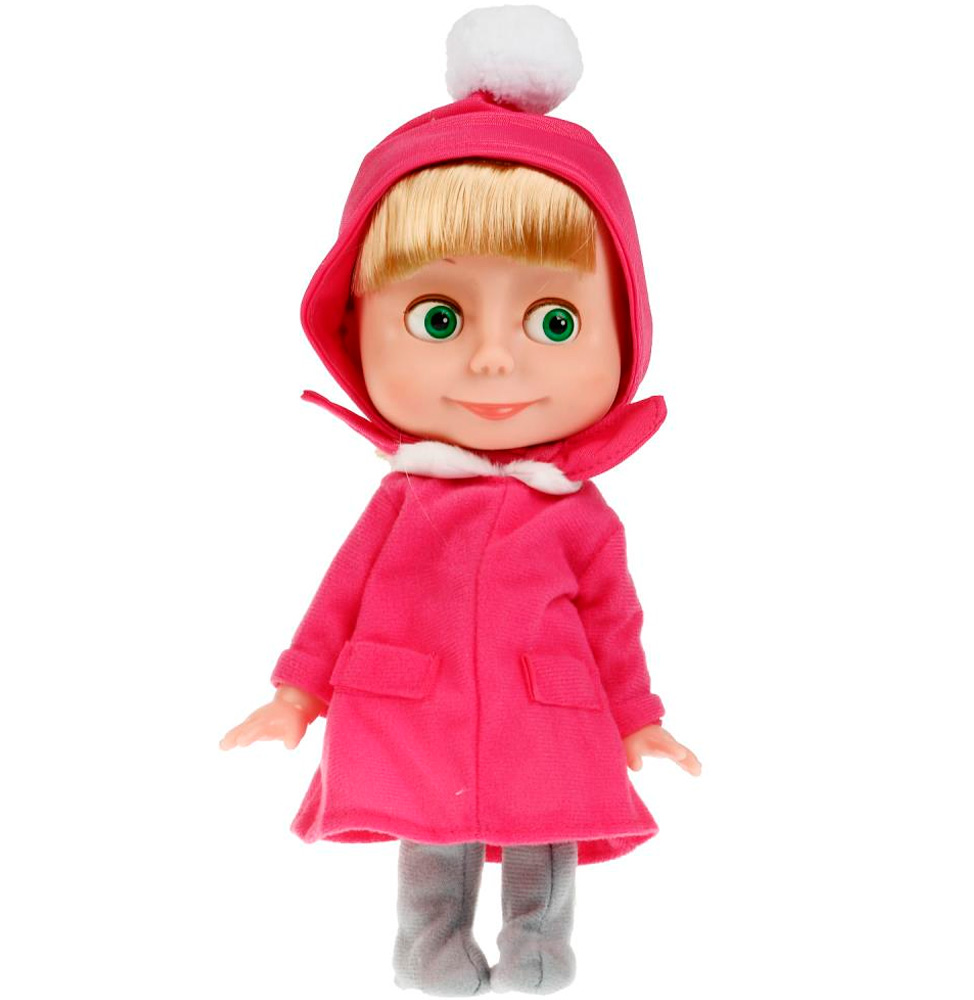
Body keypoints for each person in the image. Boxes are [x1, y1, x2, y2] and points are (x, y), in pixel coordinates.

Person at [221, 6, 700, 995]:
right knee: (426, 829)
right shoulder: (402, 500)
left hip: (545, 702)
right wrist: (297, 692)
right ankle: (430, 951)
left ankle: (537, 947)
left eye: (553, 321)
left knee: (545, 827)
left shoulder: (577, 511)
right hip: (412, 696)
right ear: (354, 330)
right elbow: (339, 598)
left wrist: (635, 715)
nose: (491, 359)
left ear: (625, 332)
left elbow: (613, 620)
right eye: (437, 318)